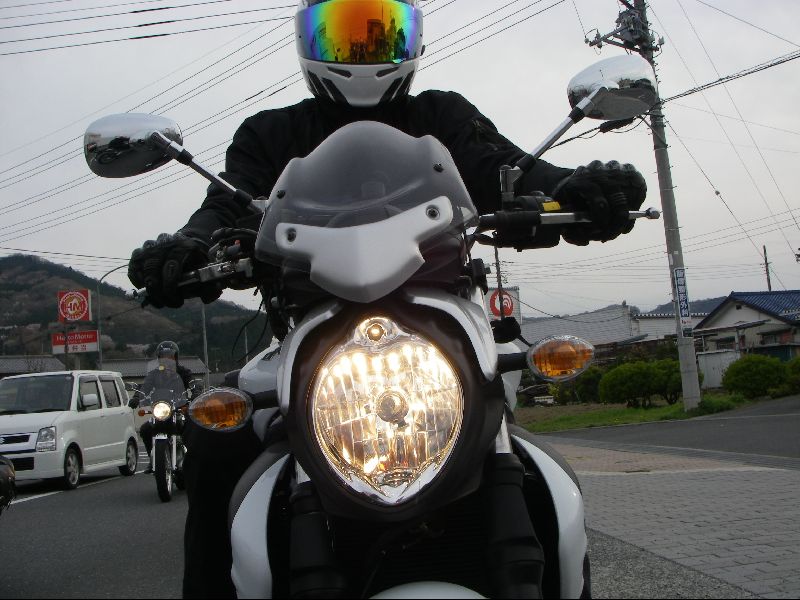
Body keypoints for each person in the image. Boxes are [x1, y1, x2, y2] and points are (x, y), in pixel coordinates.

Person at [126, 2, 648, 596]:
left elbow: (509, 171)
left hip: (441, 332)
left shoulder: (443, 118)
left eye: (379, 33)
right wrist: (191, 245)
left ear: (411, 39)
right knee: (216, 445)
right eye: (344, 35)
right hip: (310, 336)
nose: (362, 50)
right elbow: (228, 204)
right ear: (309, 41)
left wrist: (574, 189)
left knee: (519, 450)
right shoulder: (270, 135)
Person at [139, 340, 193, 474]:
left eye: (170, 356)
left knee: (193, 427)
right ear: (159, 358)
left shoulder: (183, 372)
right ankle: (153, 460)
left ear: (176, 357)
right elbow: (145, 387)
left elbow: (193, 383)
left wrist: (196, 393)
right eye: (163, 356)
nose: (167, 359)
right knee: (145, 430)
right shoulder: (154, 374)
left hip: (179, 408)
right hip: (162, 409)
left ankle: (194, 458)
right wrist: (137, 397)